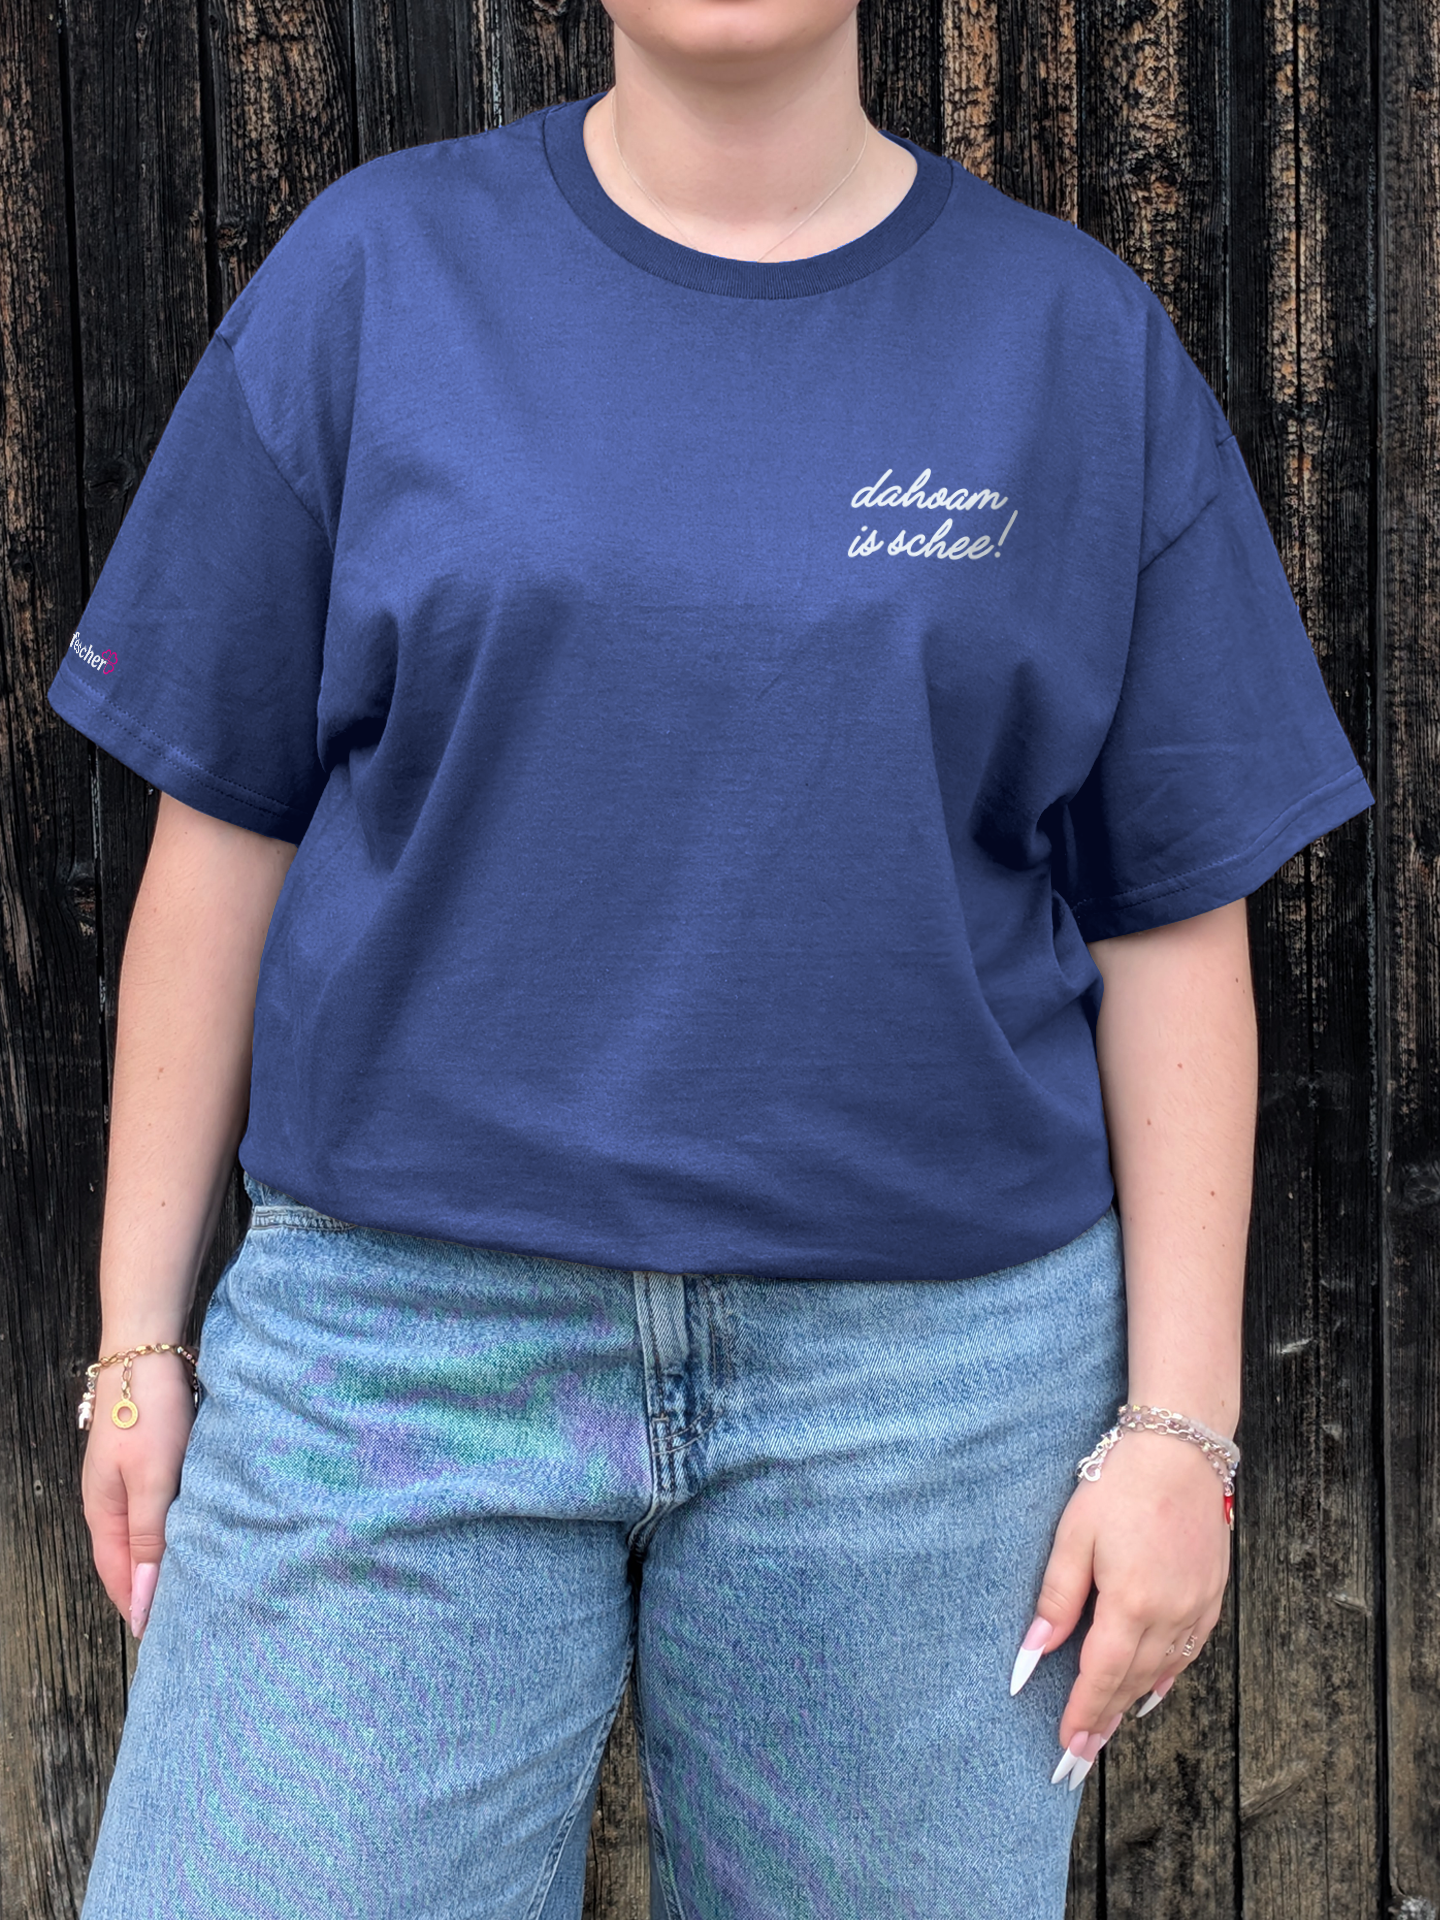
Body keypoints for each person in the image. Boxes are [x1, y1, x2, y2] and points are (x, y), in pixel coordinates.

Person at [48, 0, 1373, 1913]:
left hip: (927, 1397)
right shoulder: (375, 277)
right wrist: (137, 1339)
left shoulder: (1073, 345)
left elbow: (1170, 913)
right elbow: (219, 837)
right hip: (399, 1356)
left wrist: (1184, 1430)